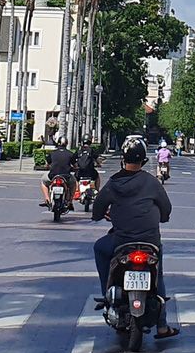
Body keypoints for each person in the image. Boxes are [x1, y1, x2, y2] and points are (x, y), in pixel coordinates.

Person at [89, 140, 178, 339]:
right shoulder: (151, 182)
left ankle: (107, 294)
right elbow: (166, 208)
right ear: (144, 160)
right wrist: (162, 217)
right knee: (158, 275)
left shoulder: (113, 182)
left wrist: (100, 215)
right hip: (150, 242)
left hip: (121, 242)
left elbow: (98, 208)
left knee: (100, 248)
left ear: (123, 159)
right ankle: (162, 326)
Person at [40, 140, 76, 206]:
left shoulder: (52, 153)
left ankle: (47, 199)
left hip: (52, 175)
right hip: (66, 176)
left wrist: (46, 167)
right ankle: (70, 201)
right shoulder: (70, 154)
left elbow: (47, 165)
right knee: (73, 183)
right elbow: (75, 166)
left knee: (43, 181)